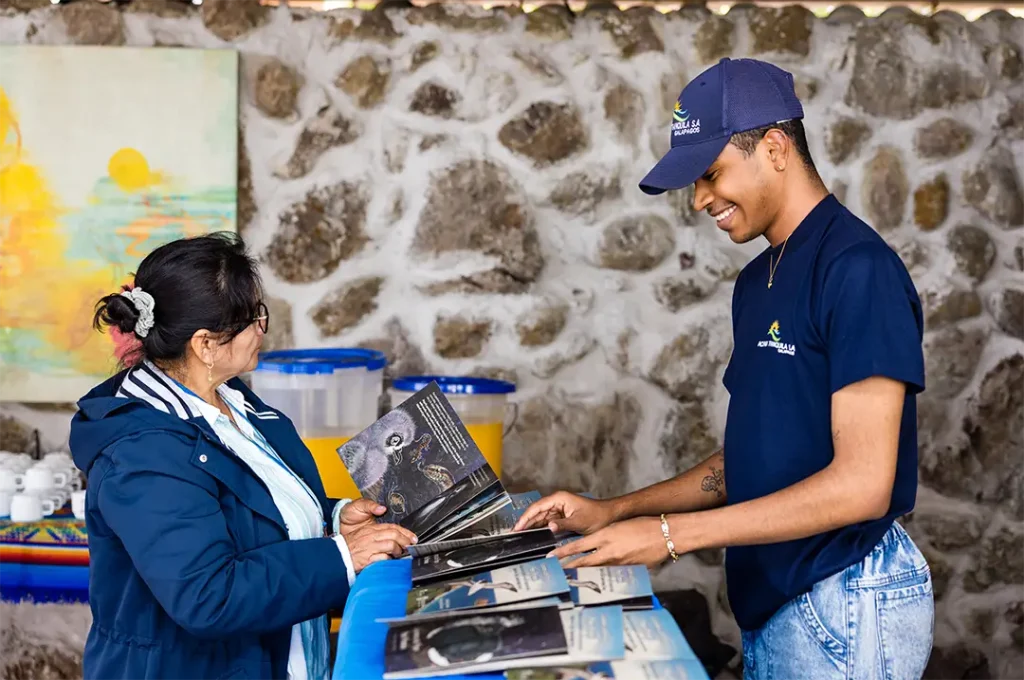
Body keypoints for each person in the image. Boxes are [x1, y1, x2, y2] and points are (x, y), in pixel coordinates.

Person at [514, 58, 933, 679]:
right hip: (777, 607)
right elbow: (750, 462)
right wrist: (614, 511)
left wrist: (670, 535)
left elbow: (864, 484)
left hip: (845, 599)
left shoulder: (857, 269)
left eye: (711, 174)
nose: (701, 199)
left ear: (774, 148)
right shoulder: (756, 281)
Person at [69, 232, 417, 680]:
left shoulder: (233, 401)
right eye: (254, 318)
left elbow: (253, 513)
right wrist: (342, 558)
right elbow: (209, 595)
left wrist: (335, 519)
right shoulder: (142, 453)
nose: (261, 329)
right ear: (205, 345)